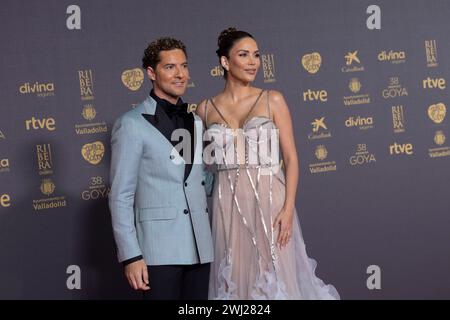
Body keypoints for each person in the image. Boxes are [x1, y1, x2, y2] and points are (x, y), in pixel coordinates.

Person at [196, 28, 340, 299]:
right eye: (243, 54)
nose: (253, 62)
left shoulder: (272, 99)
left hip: (271, 201)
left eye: (256, 55)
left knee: (276, 276)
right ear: (225, 62)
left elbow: (292, 159)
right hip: (227, 204)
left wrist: (288, 208)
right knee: (236, 281)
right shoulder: (204, 109)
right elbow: (204, 166)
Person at [109, 37, 213, 300]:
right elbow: (120, 195)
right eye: (170, 67)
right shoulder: (131, 125)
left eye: (184, 66)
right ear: (151, 73)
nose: (180, 74)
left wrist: (240, 171)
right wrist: (131, 256)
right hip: (158, 251)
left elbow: (197, 181)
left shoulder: (195, 121)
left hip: (200, 247)